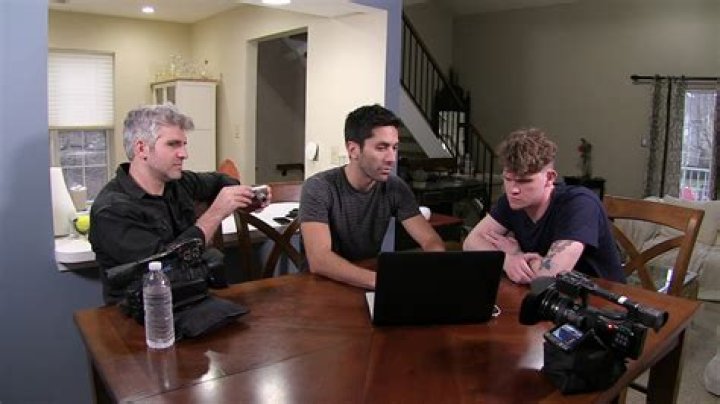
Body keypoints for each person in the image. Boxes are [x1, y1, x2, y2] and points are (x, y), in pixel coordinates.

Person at [89, 104, 266, 303]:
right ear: (141, 148)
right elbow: (164, 268)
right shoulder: (111, 210)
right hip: (143, 310)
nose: (184, 154)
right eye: (173, 144)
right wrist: (215, 214)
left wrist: (245, 197)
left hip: (195, 298)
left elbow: (221, 181)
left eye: (184, 144)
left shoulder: (179, 183)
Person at [299, 104, 445, 289]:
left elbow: (430, 240)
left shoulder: (395, 188)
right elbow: (320, 260)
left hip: (367, 280)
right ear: (353, 150)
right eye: (381, 148)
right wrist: (383, 281)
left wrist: (433, 268)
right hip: (321, 286)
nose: (391, 158)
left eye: (394, 147)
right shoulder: (319, 187)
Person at [463, 128, 624, 284]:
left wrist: (516, 253)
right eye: (508, 179)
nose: (513, 190)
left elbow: (549, 277)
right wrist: (507, 259)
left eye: (524, 181)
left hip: (602, 297)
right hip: (548, 296)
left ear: (549, 178)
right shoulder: (512, 200)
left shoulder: (580, 203)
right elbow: (471, 242)